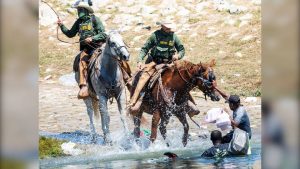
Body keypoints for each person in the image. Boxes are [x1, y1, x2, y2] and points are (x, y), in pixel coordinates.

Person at [129, 20, 185, 108]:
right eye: (167, 27)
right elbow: (144, 49)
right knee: (144, 77)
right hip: (155, 62)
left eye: (169, 27)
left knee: (183, 77)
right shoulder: (155, 36)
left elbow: (181, 50)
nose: (169, 29)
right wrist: (139, 61)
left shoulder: (174, 36)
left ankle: (188, 102)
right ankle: (134, 100)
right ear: (162, 26)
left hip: (169, 63)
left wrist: (178, 56)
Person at [57, 1, 107, 99]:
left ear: (86, 10)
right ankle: (83, 86)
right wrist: (61, 25)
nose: (79, 11)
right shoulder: (78, 22)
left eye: (80, 10)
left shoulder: (95, 19)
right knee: (81, 61)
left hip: (99, 47)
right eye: (78, 10)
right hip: (86, 49)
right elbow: (70, 33)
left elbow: (103, 34)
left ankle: (127, 78)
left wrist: (93, 38)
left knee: (116, 56)